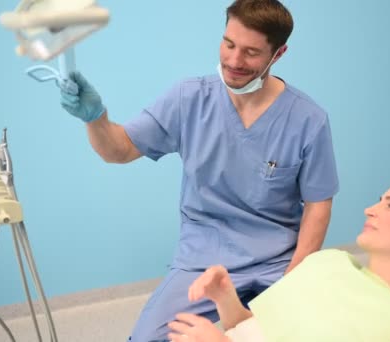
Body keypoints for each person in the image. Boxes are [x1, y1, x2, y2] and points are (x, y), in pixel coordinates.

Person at [58, 1, 339, 340]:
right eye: (229, 44)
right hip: (203, 257)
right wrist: (95, 117)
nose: (234, 62)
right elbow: (118, 150)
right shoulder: (189, 99)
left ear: (277, 55)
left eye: (251, 53)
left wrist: (295, 280)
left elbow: (318, 206)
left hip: (278, 261)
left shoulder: (308, 119)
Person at [166, 169, 390, 342]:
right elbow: (252, 328)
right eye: (379, 201)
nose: (370, 210)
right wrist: (226, 300)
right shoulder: (327, 262)